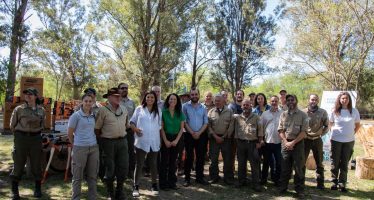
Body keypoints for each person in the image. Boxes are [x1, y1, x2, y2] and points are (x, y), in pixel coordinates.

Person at [10, 87, 45, 200]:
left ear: (35, 96)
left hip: (36, 139)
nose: (28, 96)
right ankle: (15, 191)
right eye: (26, 94)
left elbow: (42, 125)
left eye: (30, 94)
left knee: (36, 164)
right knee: (18, 163)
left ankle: (38, 189)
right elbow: (12, 125)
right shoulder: (19, 109)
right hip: (21, 138)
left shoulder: (41, 110)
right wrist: (19, 136)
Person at [95, 88, 129, 200]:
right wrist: (104, 141)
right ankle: (110, 192)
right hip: (108, 142)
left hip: (122, 141)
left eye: (119, 96)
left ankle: (120, 191)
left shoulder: (124, 109)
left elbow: (126, 125)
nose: (118, 98)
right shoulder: (102, 110)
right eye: (115, 96)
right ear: (109, 98)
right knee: (110, 168)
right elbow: (97, 129)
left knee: (123, 167)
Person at [130, 91, 162, 197]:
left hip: (154, 141)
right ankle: (136, 186)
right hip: (141, 141)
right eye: (148, 97)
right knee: (139, 164)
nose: (150, 99)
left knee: (153, 164)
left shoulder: (158, 111)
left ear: (155, 99)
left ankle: (154, 185)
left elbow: (160, 126)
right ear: (145, 98)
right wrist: (135, 129)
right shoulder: (139, 109)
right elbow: (132, 122)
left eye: (152, 97)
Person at [68, 93, 99, 200]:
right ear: (82, 102)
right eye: (86, 101)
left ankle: (92, 197)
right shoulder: (76, 116)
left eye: (90, 101)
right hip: (80, 148)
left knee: (92, 176)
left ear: (93, 102)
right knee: (77, 177)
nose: (88, 103)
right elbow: (70, 133)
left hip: (93, 148)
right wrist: (75, 145)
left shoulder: (94, 115)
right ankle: (76, 198)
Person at [278, 94, 308, 198]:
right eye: (288, 100)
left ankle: (299, 190)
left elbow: (304, 132)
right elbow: (280, 130)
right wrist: (286, 141)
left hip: (298, 144)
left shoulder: (303, 115)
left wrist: (293, 142)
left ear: (296, 101)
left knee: (299, 168)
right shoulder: (283, 115)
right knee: (285, 167)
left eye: (292, 99)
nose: (290, 101)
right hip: (285, 144)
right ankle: (283, 187)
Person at [329, 92, 360, 192]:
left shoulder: (354, 111)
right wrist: (332, 134)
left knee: (344, 163)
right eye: (342, 98)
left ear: (349, 100)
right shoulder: (334, 111)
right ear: (339, 100)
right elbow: (330, 124)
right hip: (336, 140)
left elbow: (358, 125)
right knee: (335, 162)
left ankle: (342, 184)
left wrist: (351, 134)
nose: (344, 100)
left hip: (349, 141)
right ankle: (334, 182)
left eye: (346, 98)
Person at [234, 98, 264, 191]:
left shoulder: (256, 117)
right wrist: (237, 143)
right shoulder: (238, 118)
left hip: (253, 144)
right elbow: (236, 132)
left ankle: (256, 184)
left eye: (247, 105)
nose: (245, 106)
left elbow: (260, 131)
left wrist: (260, 142)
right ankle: (241, 181)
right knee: (241, 164)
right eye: (244, 105)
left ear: (251, 106)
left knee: (254, 165)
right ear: (241, 106)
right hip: (241, 143)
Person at [182, 87, 209, 186]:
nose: (194, 96)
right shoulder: (185, 106)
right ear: (190, 95)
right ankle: (187, 178)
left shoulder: (203, 107)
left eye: (196, 94)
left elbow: (206, 123)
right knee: (189, 157)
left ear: (199, 95)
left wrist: (198, 133)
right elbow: (184, 122)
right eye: (192, 94)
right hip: (189, 135)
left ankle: (199, 178)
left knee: (200, 157)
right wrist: (193, 133)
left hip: (201, 135)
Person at [159, 93, 185, 190]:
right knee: (164, 162)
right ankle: (163, 184)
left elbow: (182, 129)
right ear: (168, 100)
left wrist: (176, 141)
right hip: (166, 137)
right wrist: (165, 140)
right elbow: (161, 128)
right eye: (171, 99)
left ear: (177, 101)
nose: (172, 101)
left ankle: (172, 183)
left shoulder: (180, 113)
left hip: (177, 138)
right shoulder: (163, 112)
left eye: (174, 99)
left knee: (173, 162)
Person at [302, 94, 329, 190]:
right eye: (312, 99)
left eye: (316, 100)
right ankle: (301, 183)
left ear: (318, 101)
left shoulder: (323, 112)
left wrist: (321, 134)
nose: (313, 101)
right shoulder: (303, 112)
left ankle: (320, 184)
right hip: (305, 140)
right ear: (308, 100)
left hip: (317, 140)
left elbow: (327, 126)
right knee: (302, 162)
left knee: (319, 162)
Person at [208, 94, 235, 185]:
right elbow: (208, 126)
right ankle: (214, 177)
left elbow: (231, 126)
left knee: (227, 159)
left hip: (226, 139)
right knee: (213, 159)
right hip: (214, 139)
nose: (217, 102)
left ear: (223, 101)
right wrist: (215, 136)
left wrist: (223, 137)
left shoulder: (229, 111)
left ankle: (228, 178)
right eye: (215, 101)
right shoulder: (211, 111)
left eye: (218, 100)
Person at [260, 96, 283, 186]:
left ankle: (277, 180)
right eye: (272, 101)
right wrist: (261, 139)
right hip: (267, 142)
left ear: (278, 102)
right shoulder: (265, 114)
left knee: (279, 163)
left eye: (276, 101)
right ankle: (264, 179)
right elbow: (261, 127)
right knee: (266, 162)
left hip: (279, 142)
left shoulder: (282, 113)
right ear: (270, 102)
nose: (274, 103)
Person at [118, 83, 136, 178]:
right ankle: (120, 172)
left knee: (130, 151)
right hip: (117, 131)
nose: (125, 89)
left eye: (126, 88)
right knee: (119, 152)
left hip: (129, 131)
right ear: (118, 90)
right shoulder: (115, 102)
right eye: (122, 88)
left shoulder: (132, 102)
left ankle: (130, 171)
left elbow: (134, 117)